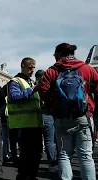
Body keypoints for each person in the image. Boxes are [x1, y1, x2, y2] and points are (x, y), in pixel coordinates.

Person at [39, 43, 98, 180]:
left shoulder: (52, 71)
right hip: (83, 115)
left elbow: (43, 92)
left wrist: (52, 107)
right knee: (85, 155)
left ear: (59, 54)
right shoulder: (85, 68)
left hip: (61, 116)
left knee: (64, 154)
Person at [7, 57, 43, 180]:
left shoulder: (31, 82)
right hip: (23, 124)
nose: (32, 70)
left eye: (34, 67)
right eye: (30, 67)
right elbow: (15, 97)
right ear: (23, 66)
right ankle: (22, 176)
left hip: (35, 124)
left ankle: (32, 176)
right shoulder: (15, 81)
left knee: (37, 153)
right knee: (26, 154)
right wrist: (33, 90)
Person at [34, 70, 57, 172]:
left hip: (34, 116)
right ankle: (51, 164)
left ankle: (35, 164)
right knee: (49, 141)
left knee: (37, 142)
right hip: (47, 115)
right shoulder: (48, 87)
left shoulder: (33, 88)